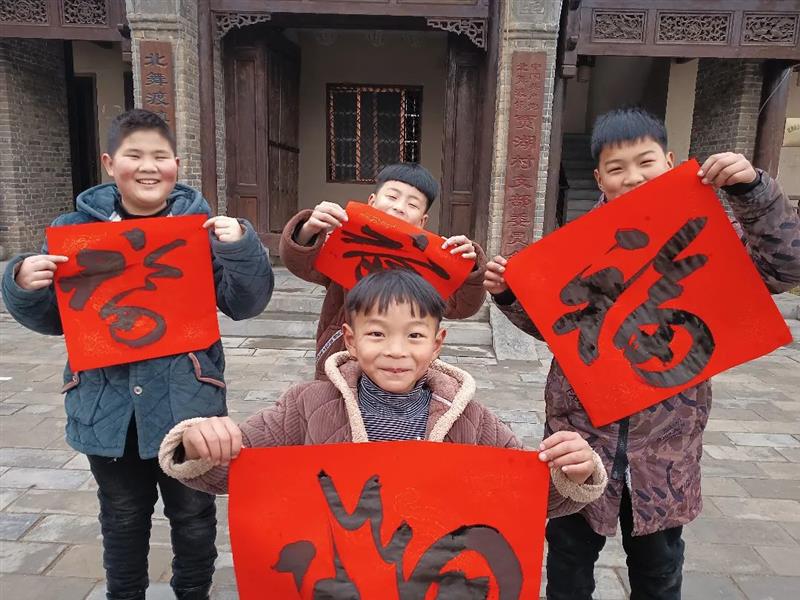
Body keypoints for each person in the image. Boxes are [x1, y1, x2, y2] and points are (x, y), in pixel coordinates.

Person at [483, 107, 800, 600]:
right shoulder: (576, 250)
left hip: (666, 448)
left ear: (669, 162)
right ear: (599, 179)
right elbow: (554, 330)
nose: (632, 177)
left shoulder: (709, 232)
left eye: (645, 161)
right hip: (582, 441)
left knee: (659, 571)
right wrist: (509, 295)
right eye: (617, 168)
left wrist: (752, 192)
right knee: (568, 564)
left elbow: (786, 268)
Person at [1, 109, 275, 600]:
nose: (148, 167)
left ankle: (193, 592)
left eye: (159, 156)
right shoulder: (72, 231)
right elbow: (52, 319)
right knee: (122, 516)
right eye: (134, 155)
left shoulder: (203, 229)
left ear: (176, 164)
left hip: (187, 404)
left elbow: (246, 303)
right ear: (110, 163)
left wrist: (241, 248)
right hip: (106, 408)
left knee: (193, 514)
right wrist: (22, 283)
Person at [158, 269, 608, 526]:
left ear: (437, 344)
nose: (396, 350)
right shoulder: (306, 406)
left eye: (414, 335)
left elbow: (530, 501)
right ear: (350, 340)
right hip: (335, 576)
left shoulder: (470, 419)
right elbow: (233, 474)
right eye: (376, 334)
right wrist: (199, 445)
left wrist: (576, 471)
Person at [279, 162, 487, 380]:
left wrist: (468, 267)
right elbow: (300, 264)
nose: (399, 207)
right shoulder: (345, 243)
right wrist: (308, 230)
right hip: (341, 361)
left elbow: (462, 307)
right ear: (372, 201)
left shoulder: (430, 262)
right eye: (392, 196)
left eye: (412, 204)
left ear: (422, 221)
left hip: (403, 367)